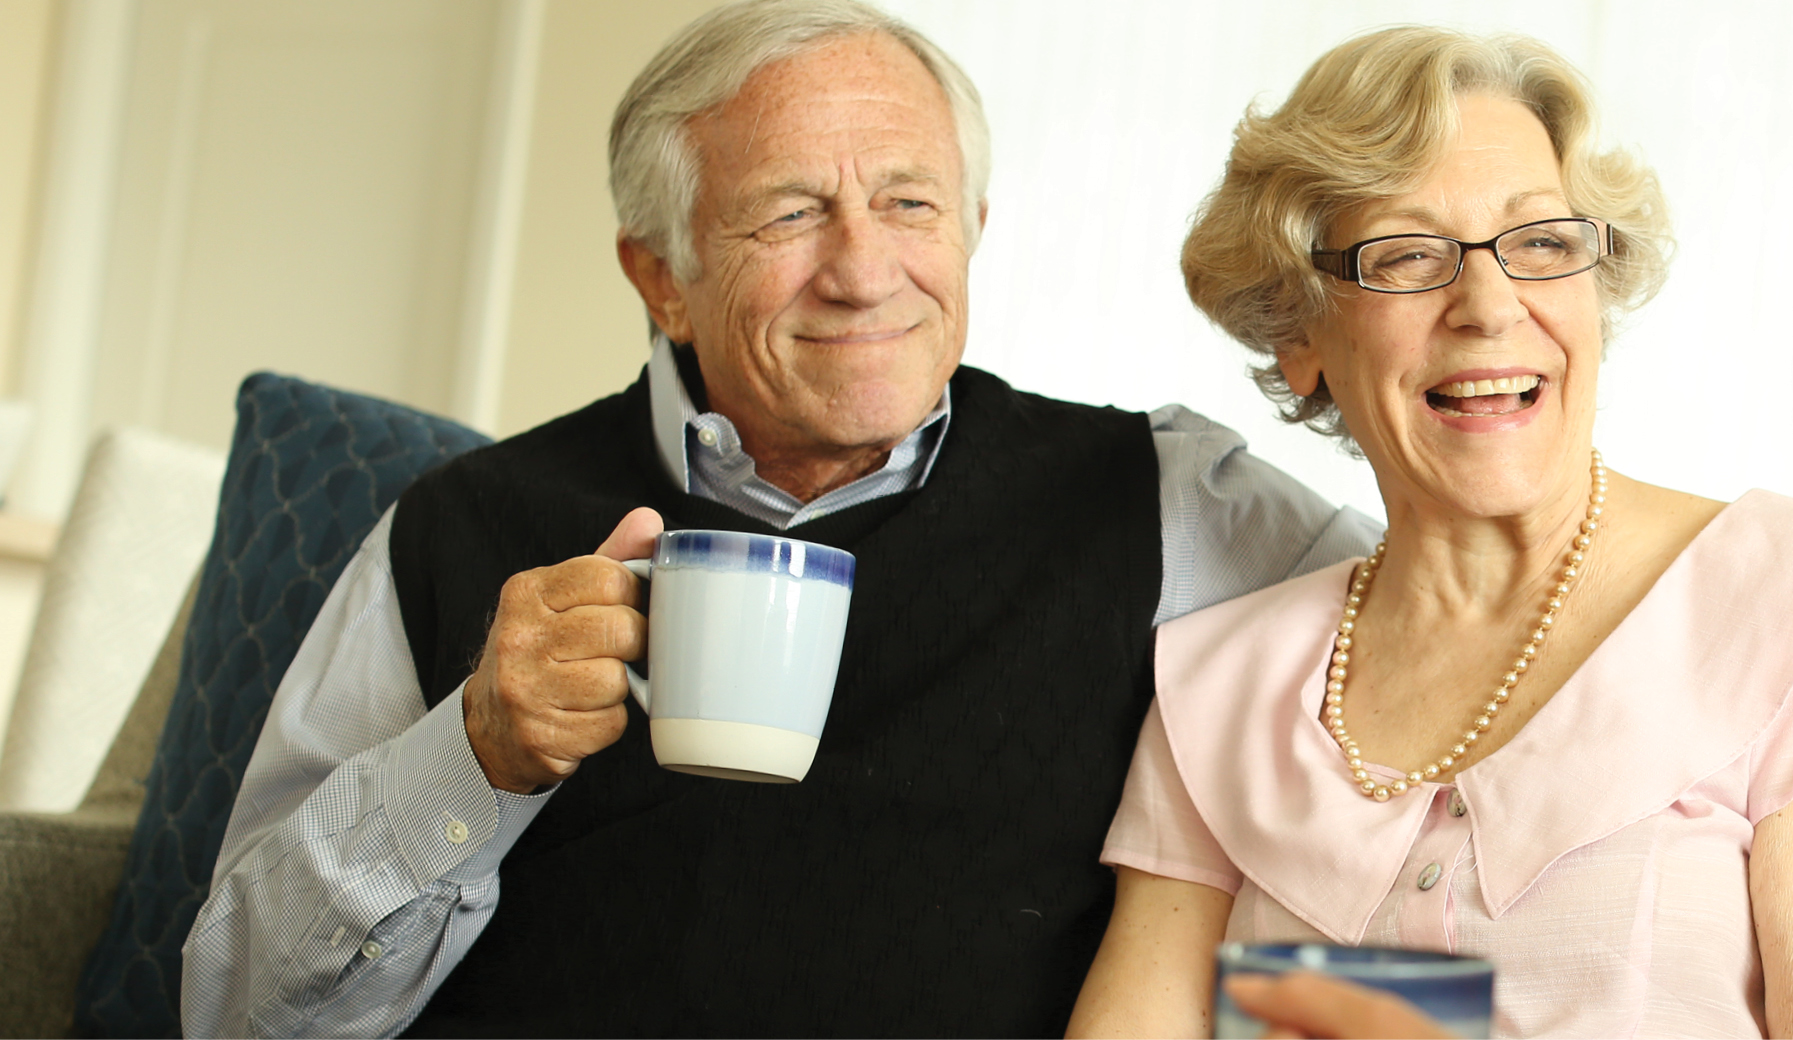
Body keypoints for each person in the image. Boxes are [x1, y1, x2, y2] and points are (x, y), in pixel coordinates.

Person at [178, 2, 1387, 1035]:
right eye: (790, 212)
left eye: (911, 203)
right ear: (660, 274)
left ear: (973, 231)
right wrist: (476, 749)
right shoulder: (455, 527)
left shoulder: (1167, 500)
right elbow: (230, 1009)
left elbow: (1471, 629)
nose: (863, 271)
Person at [1066, 27, 1793, 1038]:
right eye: (1407, 254)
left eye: (1541, 243)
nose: (1489, 307)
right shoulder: (1219, 688)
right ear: (1301, 331)